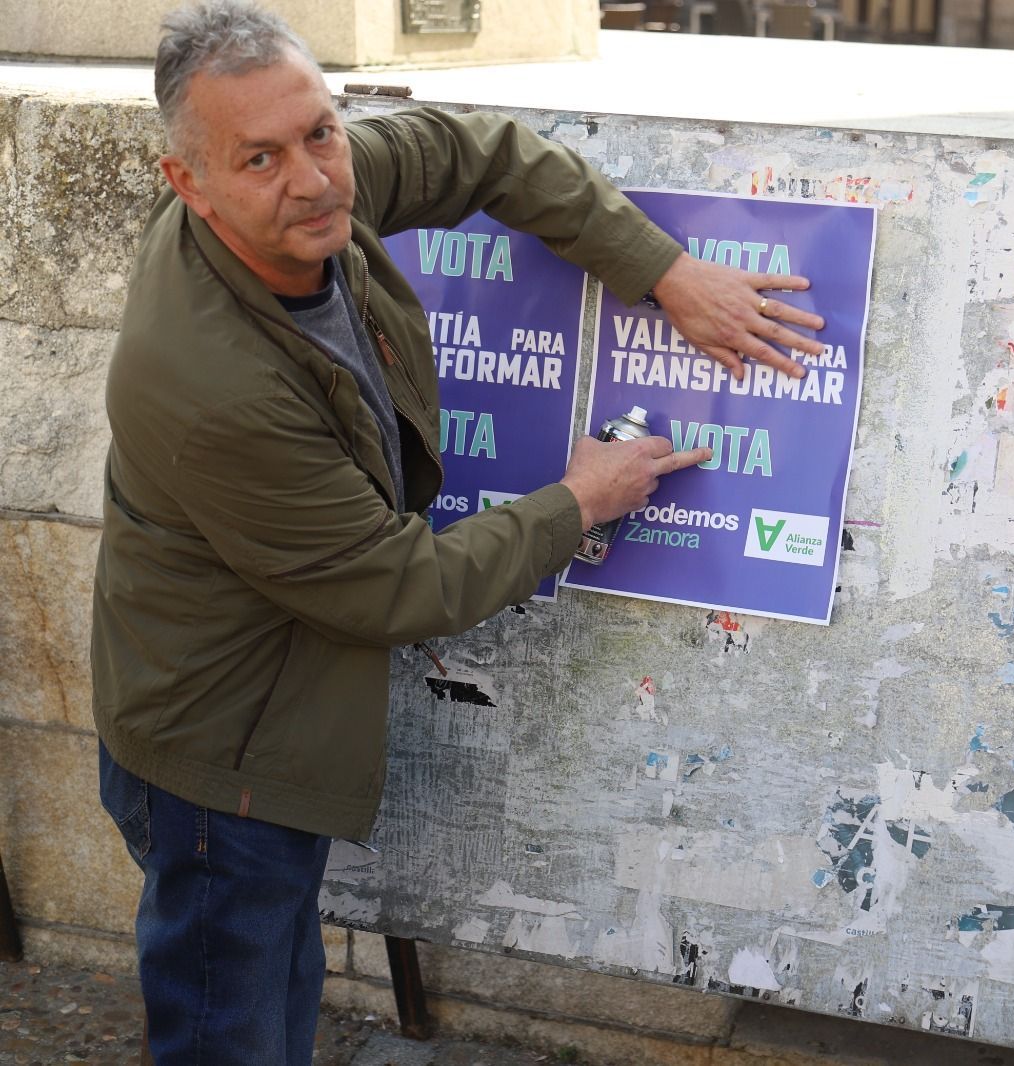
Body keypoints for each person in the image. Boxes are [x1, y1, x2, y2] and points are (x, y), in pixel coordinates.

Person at [90, 3, 825, 1062]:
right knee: (231, 1029)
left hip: (269, 709)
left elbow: (477, 153)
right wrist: (578, 501)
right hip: (219, 758)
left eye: (319, 133)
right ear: (189, 185)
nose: (311, 177)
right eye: (259, 157)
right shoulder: (212, 385)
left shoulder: (314, 192)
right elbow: (392, 585)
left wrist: (658, 268)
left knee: (269, 1000)